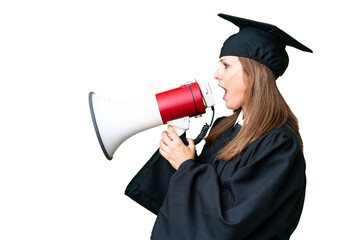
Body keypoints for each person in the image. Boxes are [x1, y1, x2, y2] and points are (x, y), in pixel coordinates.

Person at [125, 13, 312, 240]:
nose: (216, 75)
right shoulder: (225, 129)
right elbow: (189, 208)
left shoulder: (278, 144)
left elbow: (230, 221)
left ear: (253, 74)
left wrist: (186, 166)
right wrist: (179, 152)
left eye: (226, 65)